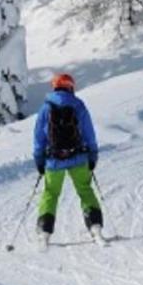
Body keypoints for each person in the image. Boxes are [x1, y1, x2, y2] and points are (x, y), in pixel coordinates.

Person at [32, 72, 101, 247]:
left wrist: (39, 161)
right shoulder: (79, 105)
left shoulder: (45, 108)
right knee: (85, 190)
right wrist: (92, 155)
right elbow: (89, 133)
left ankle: (45, 231)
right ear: (71, 87)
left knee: (50, 193)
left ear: (55, 87)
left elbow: (39, 137)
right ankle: (95, 226)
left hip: (54, 161)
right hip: (78, 158)